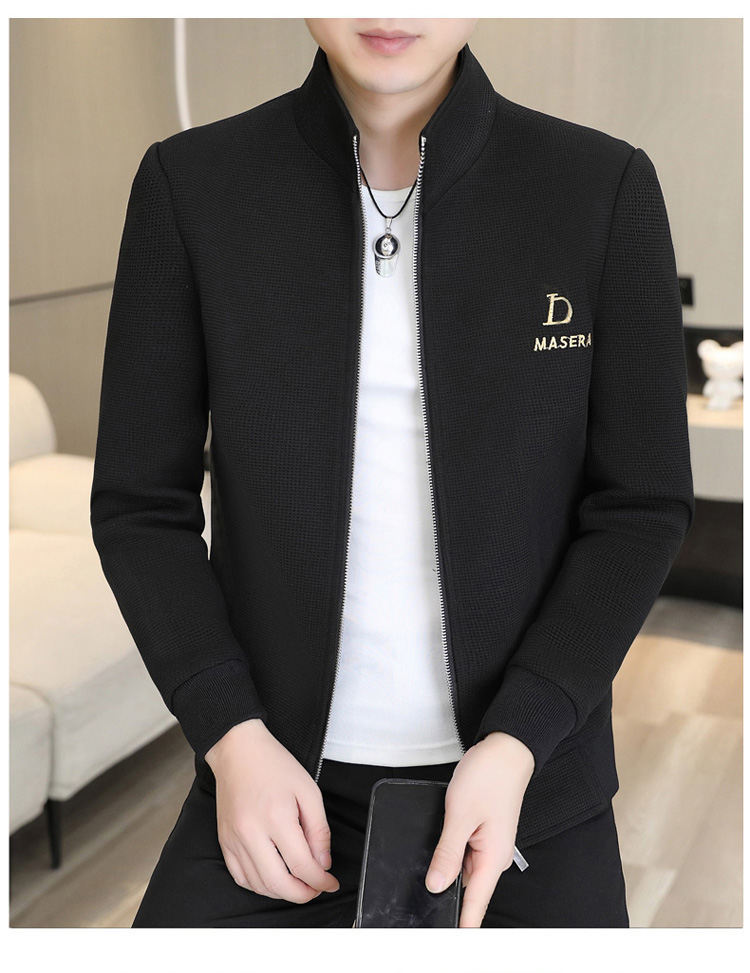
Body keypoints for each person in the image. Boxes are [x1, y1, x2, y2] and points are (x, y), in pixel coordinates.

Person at [90, 18, 694, 928]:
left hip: (527, 783)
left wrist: (522, 735)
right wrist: (229, 735)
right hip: (274, 780)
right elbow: (140, 505)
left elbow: (641, 505)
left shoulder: (602, 188)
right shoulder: (191, 185)